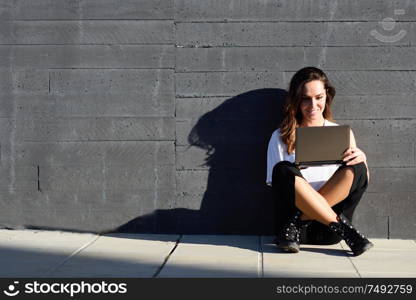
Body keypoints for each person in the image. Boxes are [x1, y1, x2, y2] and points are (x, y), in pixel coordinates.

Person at [266, 66, 373, 256]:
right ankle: (347, 231)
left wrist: (362, 161)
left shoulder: (343, 134)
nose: (313, 105)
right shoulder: (280, 137)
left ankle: (300, 221)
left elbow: (359, 181)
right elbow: (278, 187)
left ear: (327, 96)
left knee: (357, 166)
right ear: (296, 100)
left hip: (326, 231)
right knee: (282, 169)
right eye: (305, 98)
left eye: (318, 97)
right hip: (293, 235)